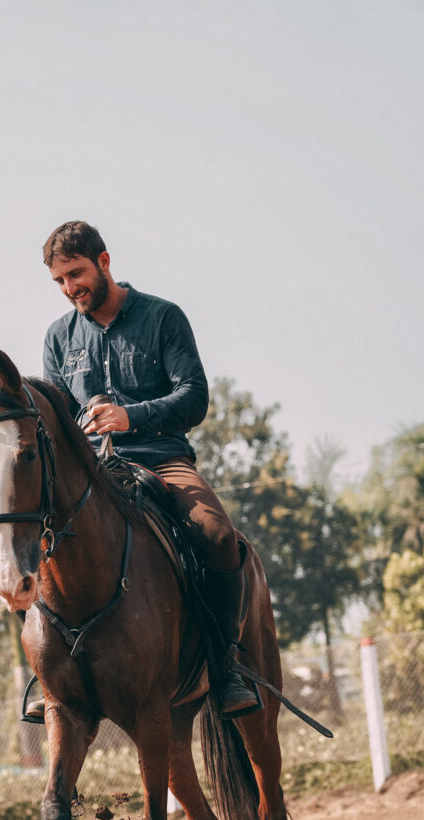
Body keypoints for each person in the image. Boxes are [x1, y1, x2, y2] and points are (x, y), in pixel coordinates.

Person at [26, 220, 257, 721]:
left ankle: (226, 665)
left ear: (104, 262)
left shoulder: (163, 317)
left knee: (218, 536)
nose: (70, 289)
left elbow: (194, 397)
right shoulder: (58, 338)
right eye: (60, 282)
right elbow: (60, 417)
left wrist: (132, 416)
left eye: (77, 274)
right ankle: (46, 678)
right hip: (96, 475)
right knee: (39, 547)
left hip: (162, 461)